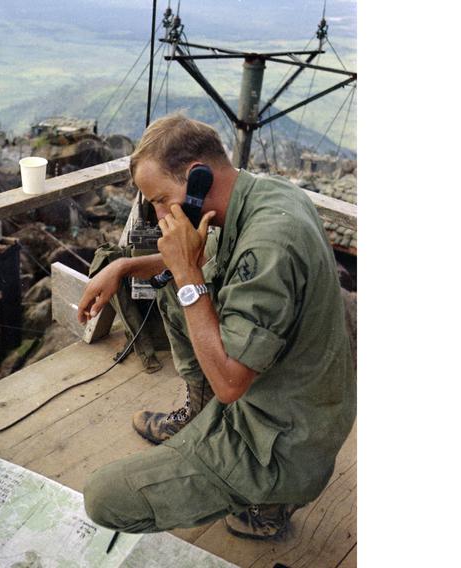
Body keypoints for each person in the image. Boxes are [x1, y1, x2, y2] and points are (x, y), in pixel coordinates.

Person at [77, 114, 356, 540]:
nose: (156, 214)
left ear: (199, 177)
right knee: (175, 281)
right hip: (282, 392)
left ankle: (271, 500)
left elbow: (230, 385)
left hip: (284, 438)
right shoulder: (258, 196)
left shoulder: (271, 244)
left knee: (104, 497)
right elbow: (203, 260)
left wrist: (188, 274)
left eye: (159, 199)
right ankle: (199, 416)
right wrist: (125, 265)